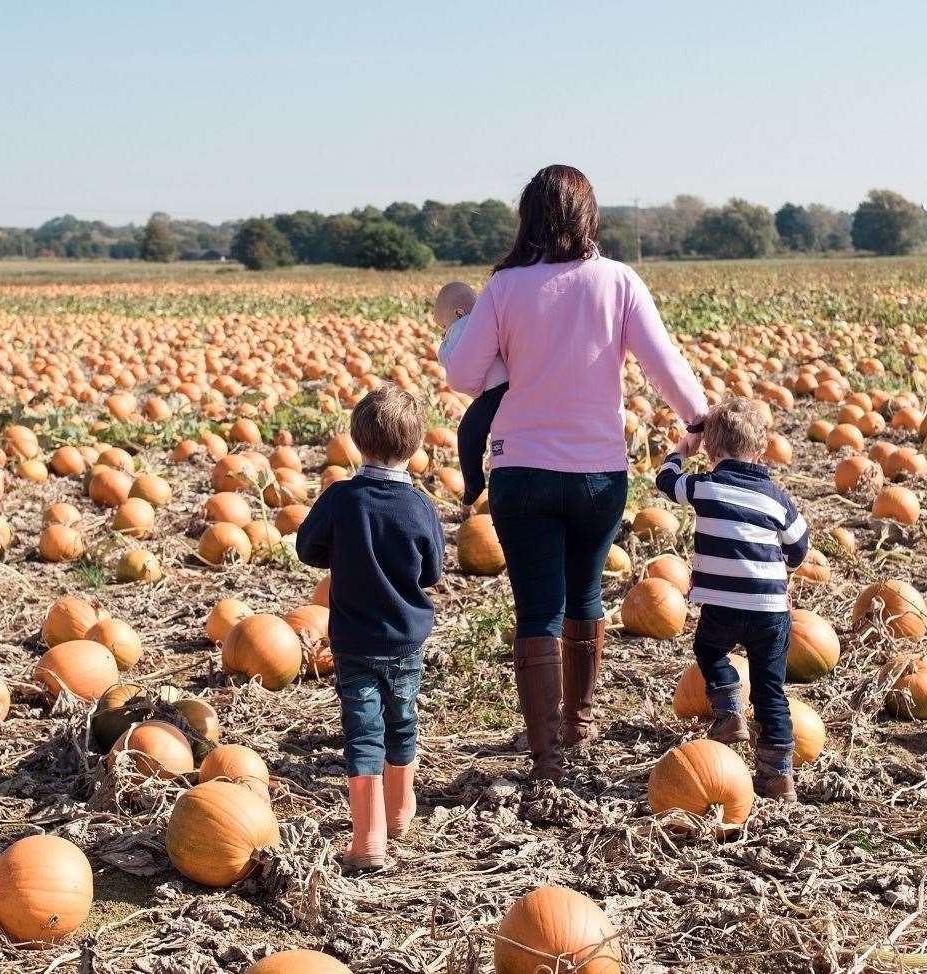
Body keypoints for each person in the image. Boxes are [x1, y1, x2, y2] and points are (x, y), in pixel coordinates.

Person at [444, 164, 709, 783]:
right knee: (586, 597)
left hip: (522, 476)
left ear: (528, 217)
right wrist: (699, 422)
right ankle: (578, 726)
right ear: (589, 219)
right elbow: (662, 363)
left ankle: (547, 759)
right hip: (597, 476)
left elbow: (461, 376)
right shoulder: (618, 281)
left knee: (537, 609)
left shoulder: (505, 289)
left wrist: (479, 337)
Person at [296, 384, 445, 871]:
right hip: (404, 639)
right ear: (417, 446)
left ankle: (369, 841)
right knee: (402, 721)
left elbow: (307, 548)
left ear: (357, 440)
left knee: (363, 733)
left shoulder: (342, 499)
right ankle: (402, 813)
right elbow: (433, 571)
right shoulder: (420, 507)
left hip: (354, 641)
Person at [654, 397, 809, 800]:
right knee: (771, 691)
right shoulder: (776, 497)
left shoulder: (703, 486)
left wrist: (680, 450)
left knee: (708, 650)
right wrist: (782, 568)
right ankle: (778, 776)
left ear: (710, 450)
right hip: (769, 612)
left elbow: (665, 481)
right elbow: (800, 546)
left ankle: (728, 712)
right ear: (761, 451)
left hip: (722, 607)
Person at [434, 281, 507, 506]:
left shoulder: (464, 325)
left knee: (467, 434)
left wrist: (442, 348)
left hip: (495, 392)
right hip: (510, 386)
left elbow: (454, 360)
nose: (445, 332)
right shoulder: (492, 319)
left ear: (458, 313)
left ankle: (474, 488)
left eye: (443, 327)